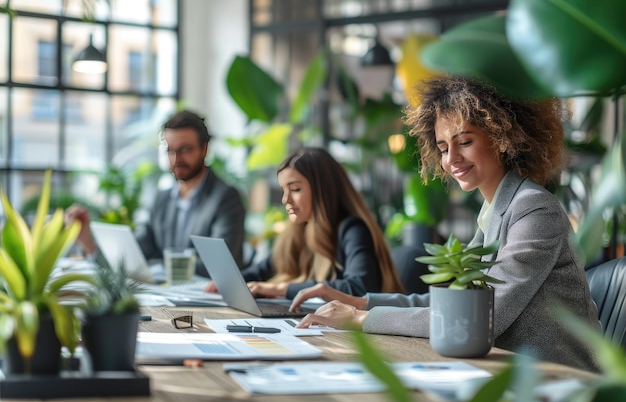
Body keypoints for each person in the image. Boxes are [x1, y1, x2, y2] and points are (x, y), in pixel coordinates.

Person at [289, 76, 601, 372]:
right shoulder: (496, 211)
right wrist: (361, 302)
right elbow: (454, 304)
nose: (451, 159)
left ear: (502, 136)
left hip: (563, 382)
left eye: (464, 141)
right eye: (442, 147)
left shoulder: (533, 209)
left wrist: (360, 318)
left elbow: (479, 317)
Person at [205, 146, 405, 299]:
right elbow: (261, 271)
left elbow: (361, 287)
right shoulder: (297, 231)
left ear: (323, 191)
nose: (285, 200)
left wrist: (281, 289)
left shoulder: (352, 230)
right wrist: (228, 282)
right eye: (284, 190)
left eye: (295, 189)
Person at [66, 109, 246, 275]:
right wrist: (89, 244)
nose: (177, 158)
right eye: (170, 150)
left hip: (211, 301)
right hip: (166, 299)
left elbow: (221, 265)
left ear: (204, 149)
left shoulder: (226, 198)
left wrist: (160, 267)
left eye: (185, 149)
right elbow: (137, 252)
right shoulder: (162, 198)